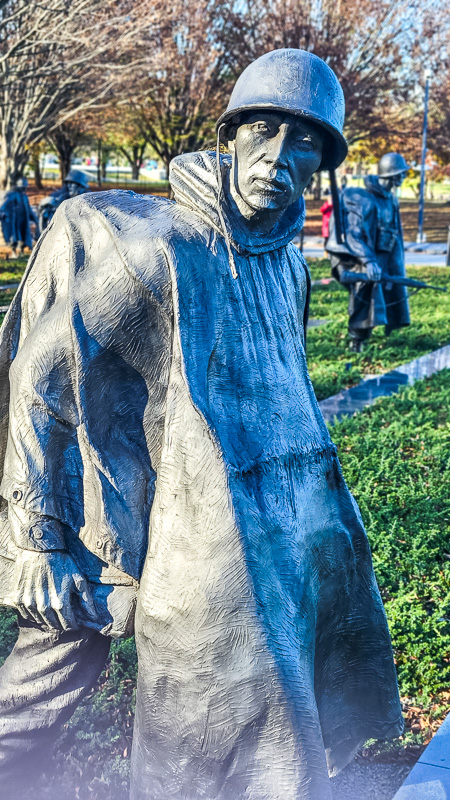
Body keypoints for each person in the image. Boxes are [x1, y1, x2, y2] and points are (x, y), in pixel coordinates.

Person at [0, 49, 403, 800]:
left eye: (305, 143)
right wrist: (38, 543)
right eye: (263, 132)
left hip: (215, 536)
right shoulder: (156, 246)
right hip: (107, 516)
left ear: (323, 163)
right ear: (231, 136)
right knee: (46, 684)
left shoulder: (287, 266)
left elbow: (280, 399)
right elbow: (41, 378)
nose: (279, 160)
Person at [327, 152, 410, 352]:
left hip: (385, 255)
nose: (403, 178)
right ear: (391, 175)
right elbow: (355, 233)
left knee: (383, 294)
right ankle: (357, 341)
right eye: (400, 174)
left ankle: (371, 334)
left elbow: (394, 231)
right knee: (363, 295)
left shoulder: (391, 199)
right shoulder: (363, 198)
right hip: (365, 257)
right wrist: (368, 261)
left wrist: (395, 264)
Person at [0, 177, 40, 257]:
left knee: (24, 235)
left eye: (25, 187)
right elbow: (3, 205)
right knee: (14, 236)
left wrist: (35, 218)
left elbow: (28, 209)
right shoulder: (11, 195)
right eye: (23, 187)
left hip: (23, 220)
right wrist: (2, 213)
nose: (25, 189)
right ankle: (14, 251)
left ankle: (22, 251)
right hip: (14, 220)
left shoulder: (24, 197)